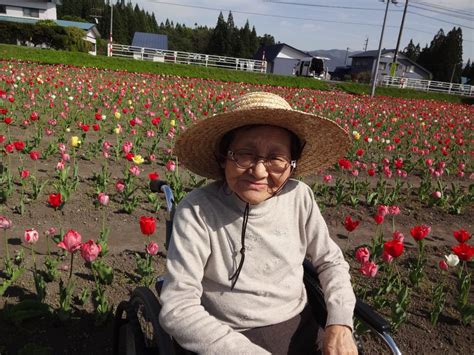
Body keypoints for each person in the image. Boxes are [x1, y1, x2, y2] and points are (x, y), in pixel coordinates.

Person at [159, 91, 357, 355]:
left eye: (276, 159)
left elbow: (330, 261)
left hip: (298, 326)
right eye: (245, 154)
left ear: (292, 166)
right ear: (223, 157)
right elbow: (178, 306)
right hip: (222, 335)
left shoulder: (299, 198)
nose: (259, 171)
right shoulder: (197, 210)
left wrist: (340, 321)